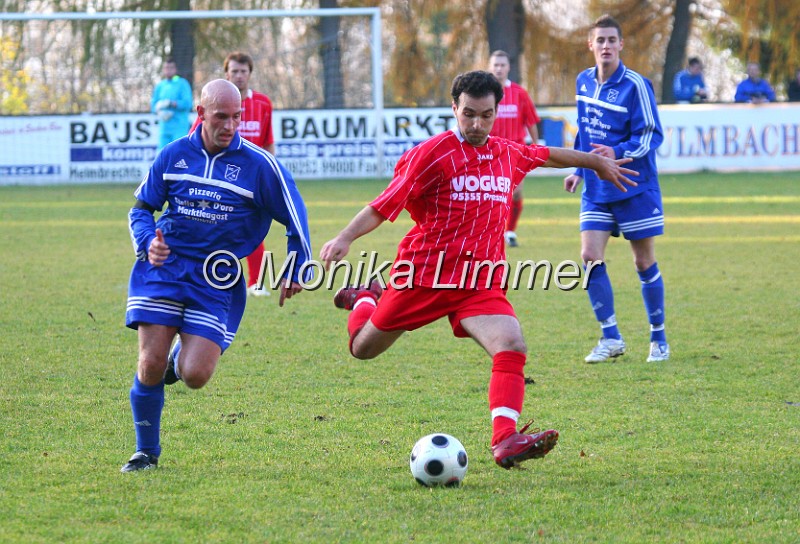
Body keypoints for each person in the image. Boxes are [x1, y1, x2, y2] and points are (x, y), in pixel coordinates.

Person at [320, 70, 637, 470]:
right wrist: (346, 238)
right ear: (454, 108)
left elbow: (548, 155)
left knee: (511, 344)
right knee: (362, 350)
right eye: (468, 113)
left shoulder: (507, 152)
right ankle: (365, 297)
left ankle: (505, 439)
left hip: (479, 283)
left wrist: (593, 162)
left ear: (496, 112)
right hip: (423, 276)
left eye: (485, 115)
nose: (476, 124)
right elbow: (384, 204)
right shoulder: (430, 154)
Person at [121, 79, 312, 473]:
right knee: (150, 361)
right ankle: (146, 452)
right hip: (165, 267)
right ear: (201, 114)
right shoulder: (173, 156)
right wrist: (146, 242)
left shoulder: (259, 166)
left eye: (237, 117)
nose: (230, 126)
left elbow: (294, 215)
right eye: (221, 117)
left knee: (194, 375)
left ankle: (178, 364)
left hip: (216, 277)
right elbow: (140, 209)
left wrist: (296, 265)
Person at [563, 14, 670, 364]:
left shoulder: (636, 85)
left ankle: (659, 339)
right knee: (590, 257)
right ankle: (610, 336)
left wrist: (618, 152)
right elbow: (585, 131)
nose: (606, 46)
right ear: (590, 45)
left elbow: (652, 135)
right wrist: (580, 168)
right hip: (596, 187)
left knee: (643, 262)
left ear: (621, 45)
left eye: (612, 40)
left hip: (633, 186)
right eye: (601, 40)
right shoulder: (582, 81)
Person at [190, 52, 277, 297]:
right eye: (234, 72)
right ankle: (207, 276)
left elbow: (268, 141)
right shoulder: (216, 103)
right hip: (220, 176)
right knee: (211, 225)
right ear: (226, 74)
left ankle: (256, 282)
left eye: (243, 71)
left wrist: (273, 171)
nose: (239, 76)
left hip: (252, 177)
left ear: (250, 74)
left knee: (254, 226)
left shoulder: (263, 104)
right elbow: (194, 137)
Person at [488, 50, 541, 248]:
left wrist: (535, 148)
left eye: (502, 65)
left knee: (515, 192)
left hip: (515, 153)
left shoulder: (519, 93)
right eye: (496, 65)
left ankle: (509, 231)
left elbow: (532, 121)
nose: (499, 68)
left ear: (508, 67)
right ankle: (492, 231)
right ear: (490, 67)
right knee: (491, 194)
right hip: (489, 153)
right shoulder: (485, 94)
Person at [150, 57, 193, 150]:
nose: (168, 70)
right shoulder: (160, 86)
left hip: (179, 128)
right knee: (161, 156)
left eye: (171, 68)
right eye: (166, 68)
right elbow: (153, 106)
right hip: (164, 128)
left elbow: (188, 103)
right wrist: (159, 111)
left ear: (175, 69)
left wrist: (171, 104)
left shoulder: (182, 83)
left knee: (178, 154)